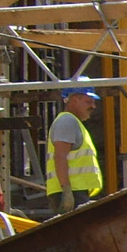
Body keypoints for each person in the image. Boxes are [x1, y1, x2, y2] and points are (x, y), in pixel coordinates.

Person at [45, 83, 102, 215]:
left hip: (74, 191)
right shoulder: (67, 121)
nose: (93, 107)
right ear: (75, 100)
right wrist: (66, 191)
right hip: (71, 191)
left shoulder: (72, 122)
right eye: (89, 101)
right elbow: (60, 156)